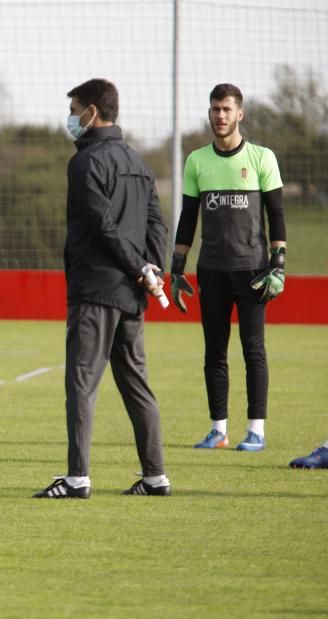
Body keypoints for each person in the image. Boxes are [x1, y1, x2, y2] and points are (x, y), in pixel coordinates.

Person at [34, 79, 171, 499]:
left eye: (75, 110)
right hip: (131, 292)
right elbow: (157, 225)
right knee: (136, 383)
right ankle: (155, 477)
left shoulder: (85, 163)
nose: (71, 119)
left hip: (95, 289)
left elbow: (101, 226)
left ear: (92, 111)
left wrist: (138, 268)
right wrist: (150, 269)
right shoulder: (137, 161)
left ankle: (77, 479)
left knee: (81, 383)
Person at [168, 83, 287, 453]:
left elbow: (277, 214)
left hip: (252, 272)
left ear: (240, 114)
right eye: (215, 109)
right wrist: (177, 268)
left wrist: (278, 263)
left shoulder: (261, 158)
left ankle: (256, 431)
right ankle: (218, 430)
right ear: (210, 114)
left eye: (227, 109)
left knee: (254, 350)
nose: (220, 115)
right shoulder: (196, 161)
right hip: (211, 272)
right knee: (214, 352)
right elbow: (188, 219)